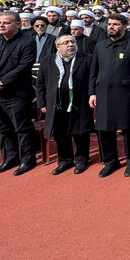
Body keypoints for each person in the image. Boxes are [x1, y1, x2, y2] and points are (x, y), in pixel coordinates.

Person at [0, 11, 38, 175]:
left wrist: (1, 82)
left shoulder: (27, 42)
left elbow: (23, 67)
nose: (1, 25)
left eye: (6, 22)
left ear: (18, 24)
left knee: (22, 127)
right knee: (3, 128)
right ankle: (10, 158)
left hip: (16, 93)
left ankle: (27, 159)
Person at [89, 13, 130, 178]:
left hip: (125, 94)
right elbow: (94, 72)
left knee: (128, 129)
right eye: (109, 24)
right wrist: (92, 92)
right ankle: (111, 161)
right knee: (104, 129)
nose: (111, 27)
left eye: (116, 24)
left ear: (125, 26)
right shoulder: (100, 46)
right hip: (103, 93)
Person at [36, 35, 94, 175]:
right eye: (66, 42)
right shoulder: (48, 60)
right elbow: (41, 83)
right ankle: (65, 160)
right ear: (58, 46)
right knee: (60, 133)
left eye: (73, 42)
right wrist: (42, 102)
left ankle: (81, 159)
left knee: (80, 133)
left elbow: (92, 79)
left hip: (79, 103)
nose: (70, 44)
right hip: (56, 104)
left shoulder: (86, 59)